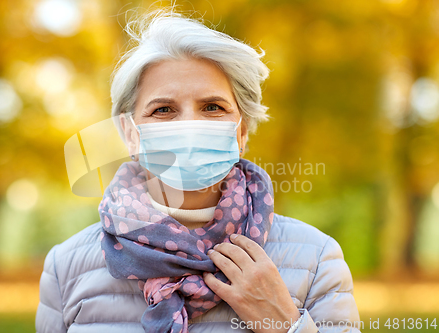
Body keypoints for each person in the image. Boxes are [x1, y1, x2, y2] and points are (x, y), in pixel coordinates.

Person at [36, 8, 360, 333]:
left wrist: (284, 325)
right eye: (163, 109)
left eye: (212, 107)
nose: (190, 124)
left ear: (242, 131)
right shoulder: (66, 269)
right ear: (131, 134)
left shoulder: (315, 259)